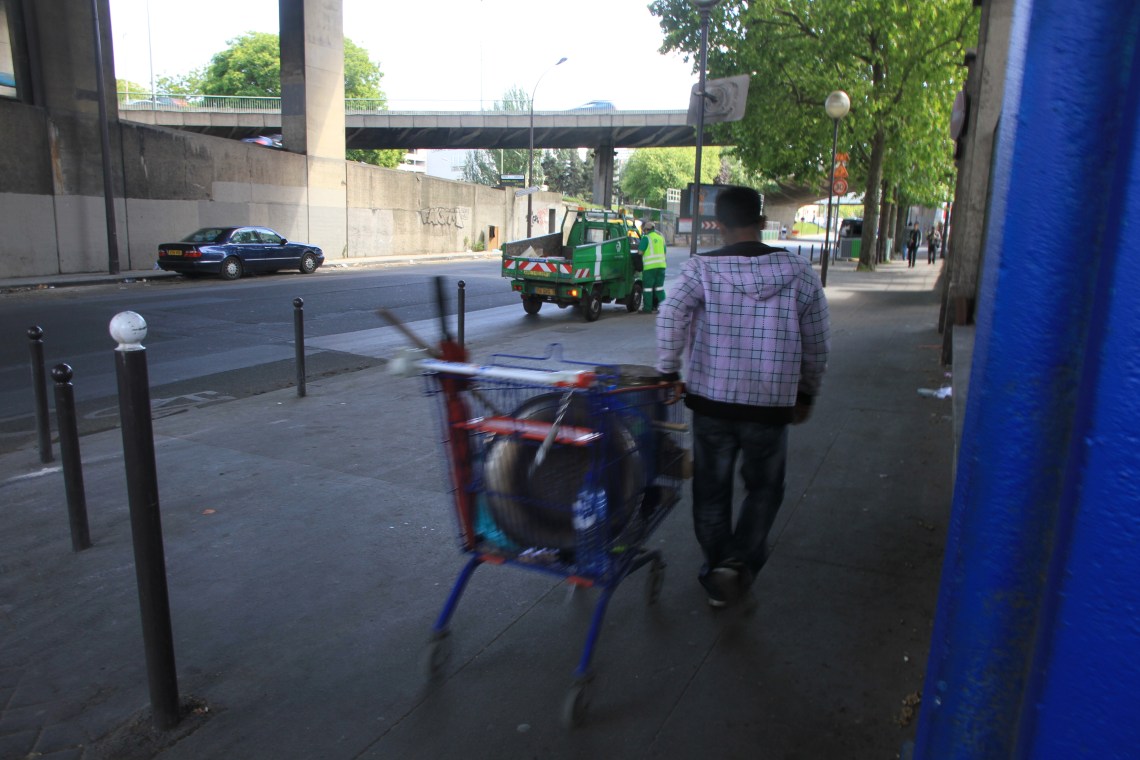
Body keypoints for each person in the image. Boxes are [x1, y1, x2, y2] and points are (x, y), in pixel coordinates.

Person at [656, 185, 831, 608]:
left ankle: (719, 569)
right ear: (764, 221)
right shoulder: (800, 272)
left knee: (711, 493)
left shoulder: (701, 270)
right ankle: (737, 565)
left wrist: (667, 369)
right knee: (765, 490)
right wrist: (806, 391)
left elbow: (670, 313)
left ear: (718, 225)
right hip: (771, 406)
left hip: (712, 402)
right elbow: (818, 342)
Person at [639, 221, 668, 313]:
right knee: (659, 288)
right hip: (661, 266)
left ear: (646, 230)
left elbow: (640, 252)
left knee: (648, 288)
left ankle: (647, 309)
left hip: (650, 267)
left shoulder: (646, 238)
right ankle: (665, 308)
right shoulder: (660, 238)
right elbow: (664, 252)